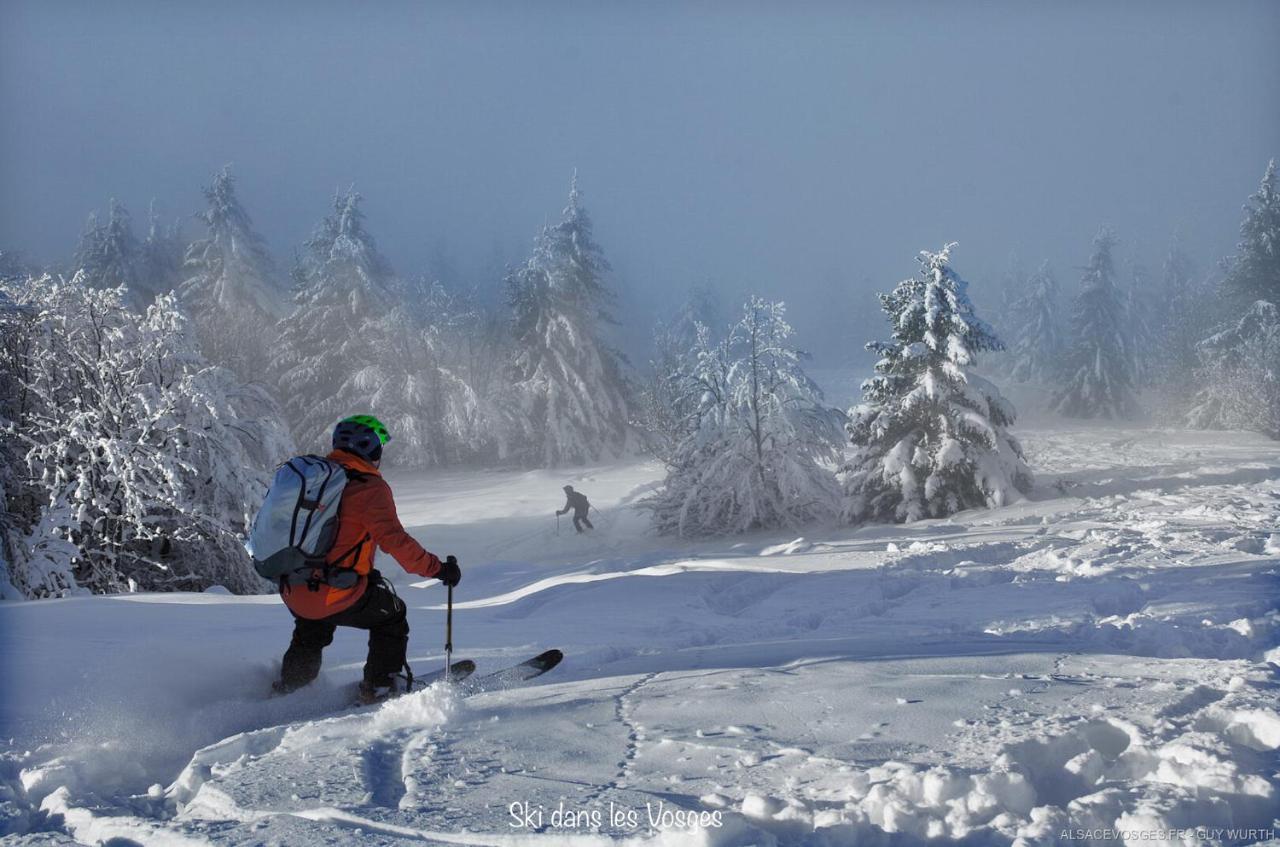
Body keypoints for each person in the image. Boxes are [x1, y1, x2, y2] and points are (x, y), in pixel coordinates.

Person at [273, 414, 462, 703]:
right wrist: (438, 569)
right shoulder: (369, 488)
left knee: (312, 627)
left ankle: (288, 691)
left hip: (295, 589)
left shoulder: (313, 480)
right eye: (377, 450)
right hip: (335, 593)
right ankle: (379, 689)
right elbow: (396, 542)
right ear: (369, 450)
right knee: (391, 617)